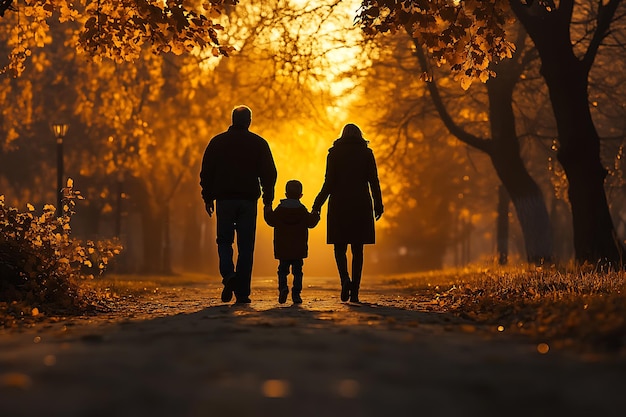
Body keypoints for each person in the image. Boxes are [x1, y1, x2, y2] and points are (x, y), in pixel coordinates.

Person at [200, 105, 277, 304]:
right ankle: (242, 293)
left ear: (232, 119)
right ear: (249, 121)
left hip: (224, 200)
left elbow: (206, 172)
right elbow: (269, 174)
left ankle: (228, 275)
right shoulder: (258, 143)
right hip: (247, 200)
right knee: (246, 246)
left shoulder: (217, 142)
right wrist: (268, 201)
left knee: (224, 241)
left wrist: (207, 197)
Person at [312, 123, 383, 303]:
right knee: (358, 250)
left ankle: (345, 279)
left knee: (339, 247)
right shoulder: (367, 153)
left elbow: (329, 183)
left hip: (339, 204)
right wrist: (378, 204)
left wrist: (317, 203)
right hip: (360, 204)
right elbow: (373, 181)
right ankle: (355, 292)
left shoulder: (334, 154)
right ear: (360, 135)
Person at [264, 180, 320, 304]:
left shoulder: (280, 210)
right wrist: (316, 214)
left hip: (283, 247)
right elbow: (311, 223)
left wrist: (267, 209)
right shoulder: (302, 210)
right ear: (300, 195)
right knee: (298, 271)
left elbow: (271, 220)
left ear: (286, 194)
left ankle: (283, 288)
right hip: (298, 249)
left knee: (282, 270)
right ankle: (296, 293)